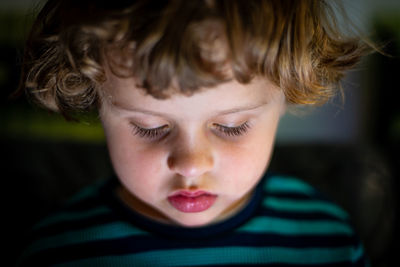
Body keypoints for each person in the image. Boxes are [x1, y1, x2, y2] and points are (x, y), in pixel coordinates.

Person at [16, 0, 373, 266]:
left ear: (286, 97)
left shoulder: (327, 240)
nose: (191, 165)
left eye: (232, 127)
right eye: (149, 127)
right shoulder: (58, 252)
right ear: (97, 102)